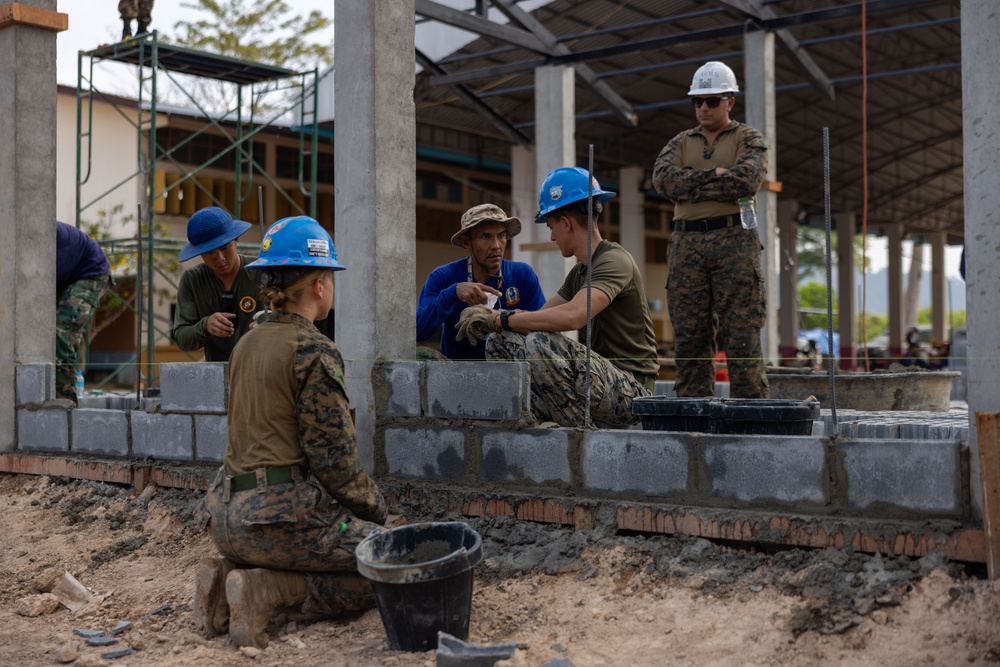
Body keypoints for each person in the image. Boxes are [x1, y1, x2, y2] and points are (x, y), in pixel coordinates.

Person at [195, 216, 390, 649]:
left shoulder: (246, 343)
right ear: (320, 285)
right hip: (276, 520)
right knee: (394, 560)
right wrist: (378, 512)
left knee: (346, 542)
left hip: (226, 519)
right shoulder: (314, 350)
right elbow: (334, 462)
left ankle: (230, 577)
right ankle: (271, 592)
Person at [457, 167, 658, 427]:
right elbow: (538, 316)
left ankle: (578, 434)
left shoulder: (614, 260)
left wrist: (503, 319)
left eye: (552, 227)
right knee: (499, 342)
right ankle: (541, 421)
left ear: (566, 223)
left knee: (541, 342)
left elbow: (573, 316)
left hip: (633, 392)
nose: (552, 236)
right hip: (599, 384)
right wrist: (495, 318)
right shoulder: (579, 272)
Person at [652, 61, 771, 399]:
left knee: (741, 334)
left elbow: (746, 180)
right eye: (698, 101)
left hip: (735, 241)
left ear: (730, 101)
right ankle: (694, 416)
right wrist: (715, 175)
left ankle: (751, 418)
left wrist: (689, 184)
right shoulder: (679, 142)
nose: (703, 108)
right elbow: (662, 179)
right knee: (690, 335)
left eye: (712, 101)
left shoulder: (749, 138)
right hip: (686, 243)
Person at [416, 203, 545, 360]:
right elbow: (418, 331)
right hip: (456, 375)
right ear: (466, 242)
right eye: (485, 236)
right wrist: (451, 294)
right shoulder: (443, 277)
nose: (496, 246)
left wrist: (506, 320)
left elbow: (543, 330)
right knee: (421, 355)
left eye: (501, 235)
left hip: (511, 374)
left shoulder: (523, 274)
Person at [171, 206, 260, 363]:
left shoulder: (261, 272)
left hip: (261, 371)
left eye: (225, 248)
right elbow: (181, 337)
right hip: (217, 376)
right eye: (209, 252)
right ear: (198, 252)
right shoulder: (192, 281)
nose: (219, 258)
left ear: (236, 239)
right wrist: (205, 326)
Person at [55, 222, 111, 403]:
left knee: (62, 331)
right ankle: (61, 397)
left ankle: (65, 400)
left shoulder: (43, 235)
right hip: (69, 277)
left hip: (91, 273)